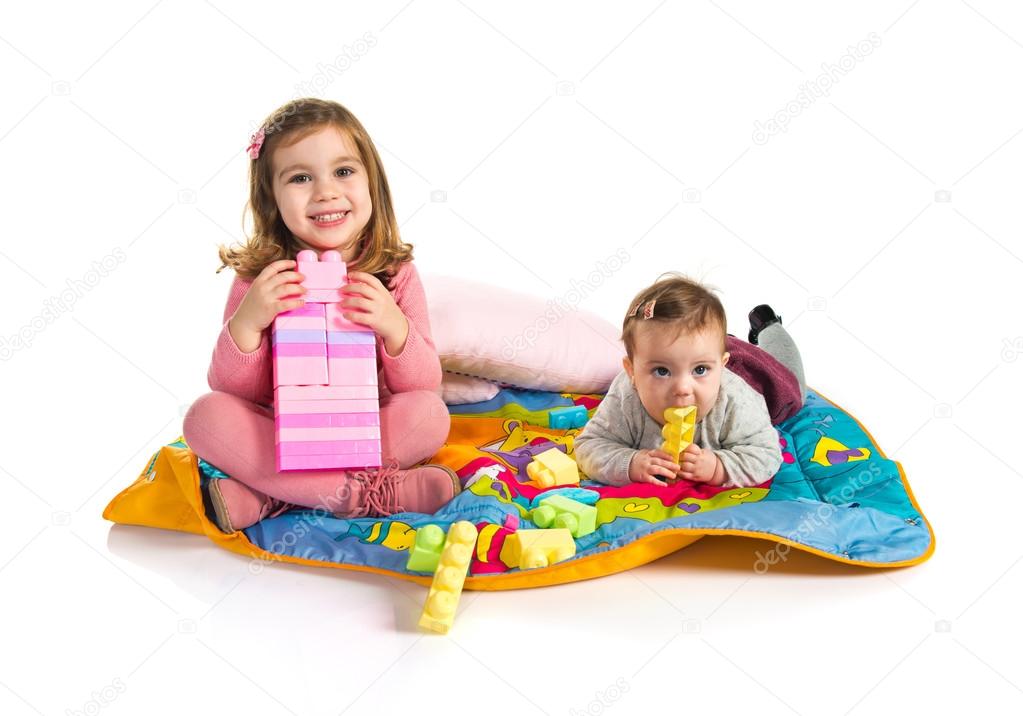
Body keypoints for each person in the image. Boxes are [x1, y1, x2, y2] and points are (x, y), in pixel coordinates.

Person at [182, 98, 458, 533]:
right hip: (281, 429)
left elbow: (423, 382)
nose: (325, 191)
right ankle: (365, 495)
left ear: (372, 184)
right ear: (271, 197)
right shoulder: (261, 279)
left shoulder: (395, 274)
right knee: (205, 416)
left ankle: (272, 493)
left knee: (429, 413)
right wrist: (248, 324)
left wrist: (393, 326)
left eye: (343, 171)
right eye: (300, 177)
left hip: (366, 427)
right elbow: (235, 390)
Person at [573, 272, 806, 488]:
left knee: (793, 391)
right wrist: (630, 462)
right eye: (662, 371)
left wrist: (719, 467)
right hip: (709, 351)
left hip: (755, 375)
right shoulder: (625, 397)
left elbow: (766, 453)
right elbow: (589, 445)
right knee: (696, 351)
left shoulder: (737, 401)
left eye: (700, 369)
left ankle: (767, 324)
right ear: (632, 372)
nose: (683, 389)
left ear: (721, 367)